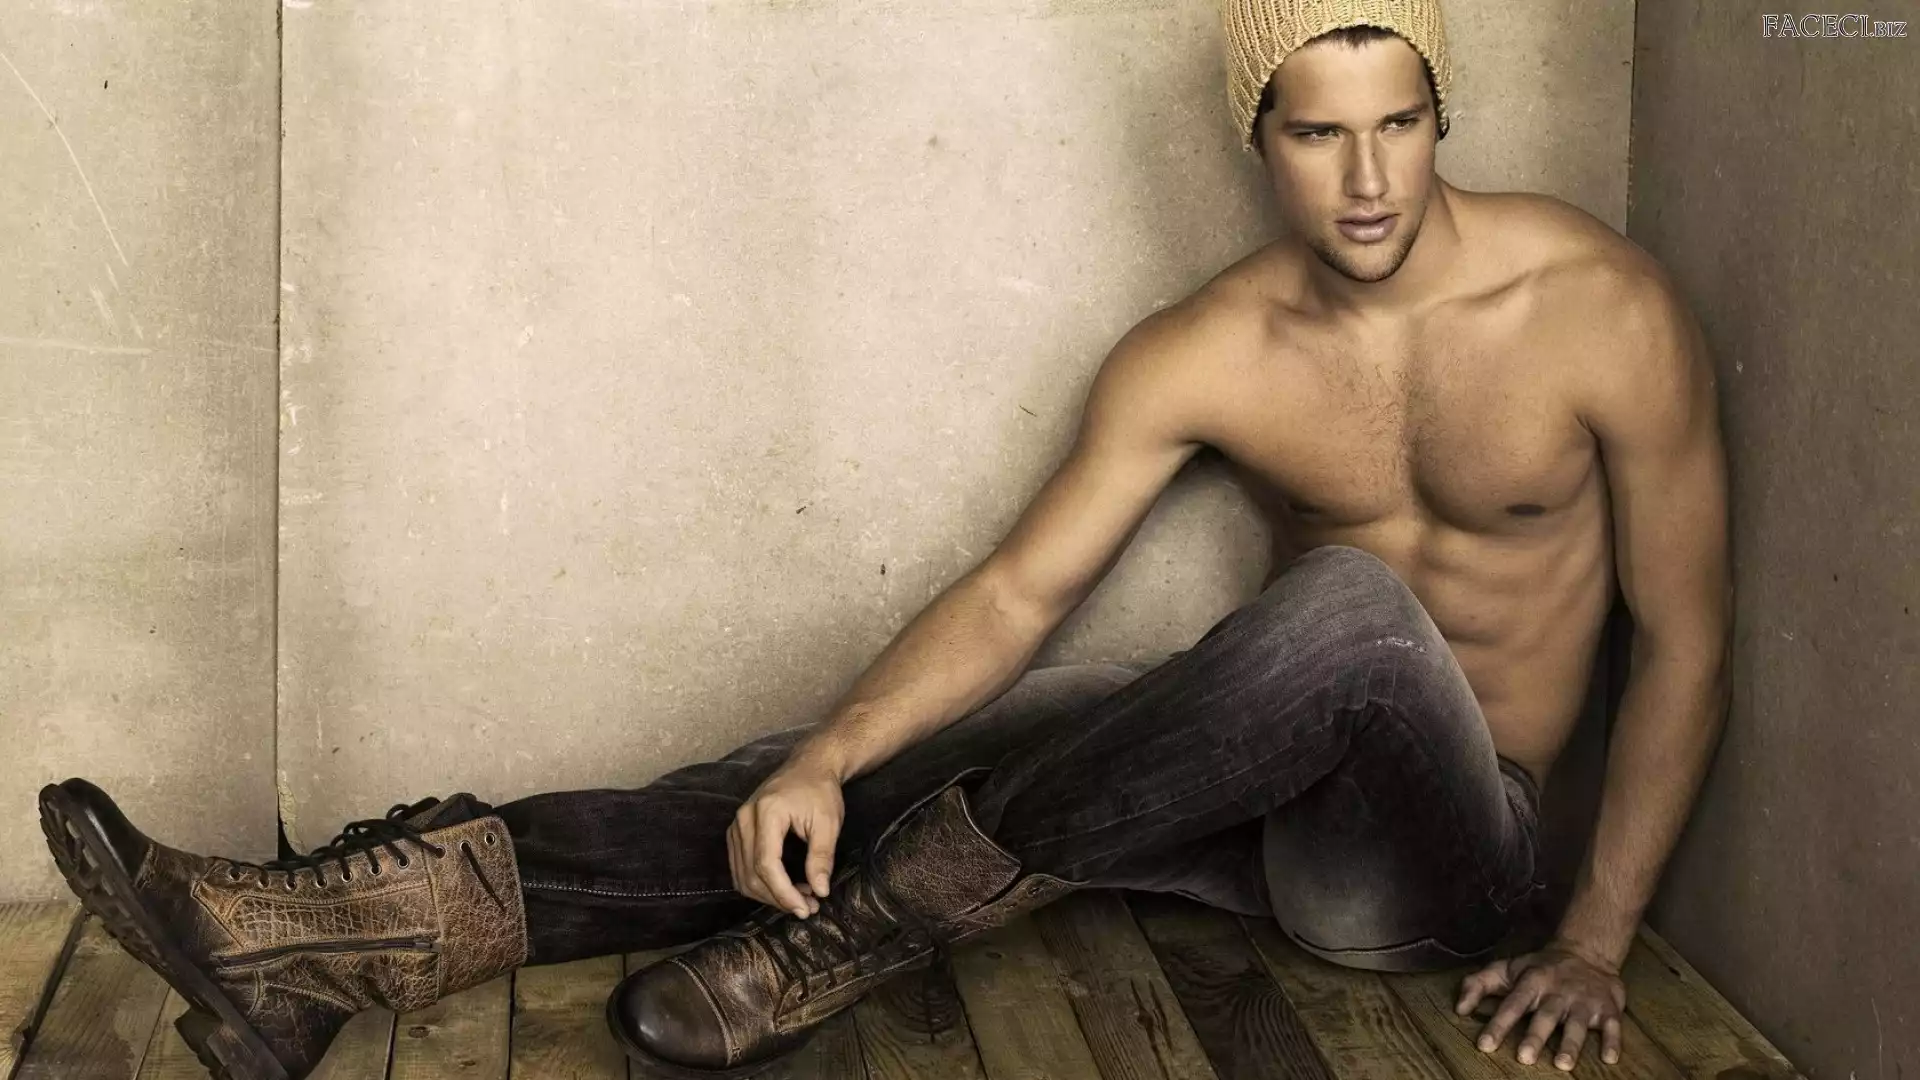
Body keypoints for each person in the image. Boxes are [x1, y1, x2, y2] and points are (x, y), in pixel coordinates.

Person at [37, 0, 1733, 1077]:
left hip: (1451, 862)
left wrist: (1592, 940)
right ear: (1258, 139)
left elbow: (1688, 639)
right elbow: (1018, 592)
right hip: (1250, 807)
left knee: (1352, 611)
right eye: (1318, 131)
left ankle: (881, 930)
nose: (1367, 179)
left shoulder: (1601, 308)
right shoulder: (1209, 349)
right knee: (822, 774)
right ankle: (313, 942)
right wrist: (835, 755)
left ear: (1444, 115)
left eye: (1400, 123)